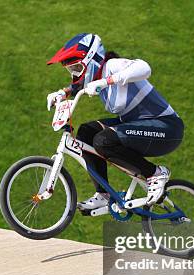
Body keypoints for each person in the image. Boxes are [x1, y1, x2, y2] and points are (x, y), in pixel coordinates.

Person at [46, 33, 184, 210]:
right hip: (137, 126)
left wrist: (107, 81)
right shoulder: (95, 76)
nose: (75, 74)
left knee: (103, 141)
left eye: (77, 69)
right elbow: (77, 86)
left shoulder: (112, 66)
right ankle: (103, 195)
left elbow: (145, 68)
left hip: (166, 128)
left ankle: (156, 173)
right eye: (71, 70)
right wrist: (62, 93)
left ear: (91, 60)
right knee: (86, 132)